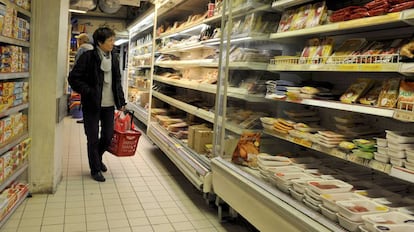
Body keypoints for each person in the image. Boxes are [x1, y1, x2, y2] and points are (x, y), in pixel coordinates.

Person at [68, 27, 126, 182]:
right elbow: (73, 78)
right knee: (92, 138)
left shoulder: (114, 57)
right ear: (100, 42)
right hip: (92, 105)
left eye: (113, 40)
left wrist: (121, 101)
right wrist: (89, 91)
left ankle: (97, 158)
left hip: (109, 105)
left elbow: (117, 81)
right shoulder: (88, 57)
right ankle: (95, 168)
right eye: (110, 40)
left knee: (107, 136)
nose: (113, 43)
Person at [74, 33, 94, 124]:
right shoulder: (92, 48)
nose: (78, 42)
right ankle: (90, 118)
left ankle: (85, 118)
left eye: (79, 40)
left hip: (84, 78)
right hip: (92, 78)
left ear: (82, 41)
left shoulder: (82, 48)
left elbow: (78, 63)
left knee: (85, 99)